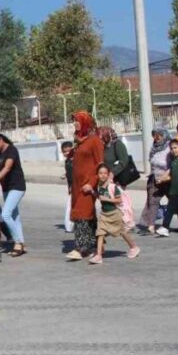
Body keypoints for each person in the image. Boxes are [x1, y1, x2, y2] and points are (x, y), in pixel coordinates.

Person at [67, 112, 104, 261]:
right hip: (76, 185)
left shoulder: (94, 140)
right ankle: (96, 245)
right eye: (74, 121)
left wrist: (92, 182)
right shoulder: (78, 140)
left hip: (88, 184)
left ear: (86, 122)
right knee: (88, 216)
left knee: (81, 213)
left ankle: (80, 248)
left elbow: (100, 164)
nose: (75, 124)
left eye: (78, 121)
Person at [0, 131, 26, 257]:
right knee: (15, 217)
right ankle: (21, 244)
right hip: (6, 187)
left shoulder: (12, 150)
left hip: (17, 186)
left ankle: (18, 242)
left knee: (6, 214)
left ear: (1, 140)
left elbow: (7, 167)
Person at [91, 165, 141, 264]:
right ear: (97, 174)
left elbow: (119, 200)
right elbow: (100, 197)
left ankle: (134, 247)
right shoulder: (99, 185)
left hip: (114, 214)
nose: (102, 175)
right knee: (100, 233)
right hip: (104, 214)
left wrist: (107, 199)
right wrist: (92, 192)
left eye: (105, 173)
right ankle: (99, 255)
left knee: (122, 232)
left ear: (109, 174)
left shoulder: (112, 187)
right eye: (100, 173)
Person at [137, 129, 172, 234]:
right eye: (154, 136)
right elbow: (151, 160)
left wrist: (165, 175)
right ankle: (150, 226)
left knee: (175, 202)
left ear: (164, 135)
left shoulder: (171, 146)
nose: (156, 138)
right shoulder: (154, 147)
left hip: (169, 179)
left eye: (159, 135)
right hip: (155, 178)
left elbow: (173, 163)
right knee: (152, 202)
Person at [62, 141, 75, 234]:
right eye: (64, 151)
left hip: (77, 187)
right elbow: (70, 173)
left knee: (70, 207)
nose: (67, 153)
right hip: (72, 187)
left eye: (68, 151)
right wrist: (65, 174)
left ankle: (69, 226)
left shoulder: (76, 160)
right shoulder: (67, 161)